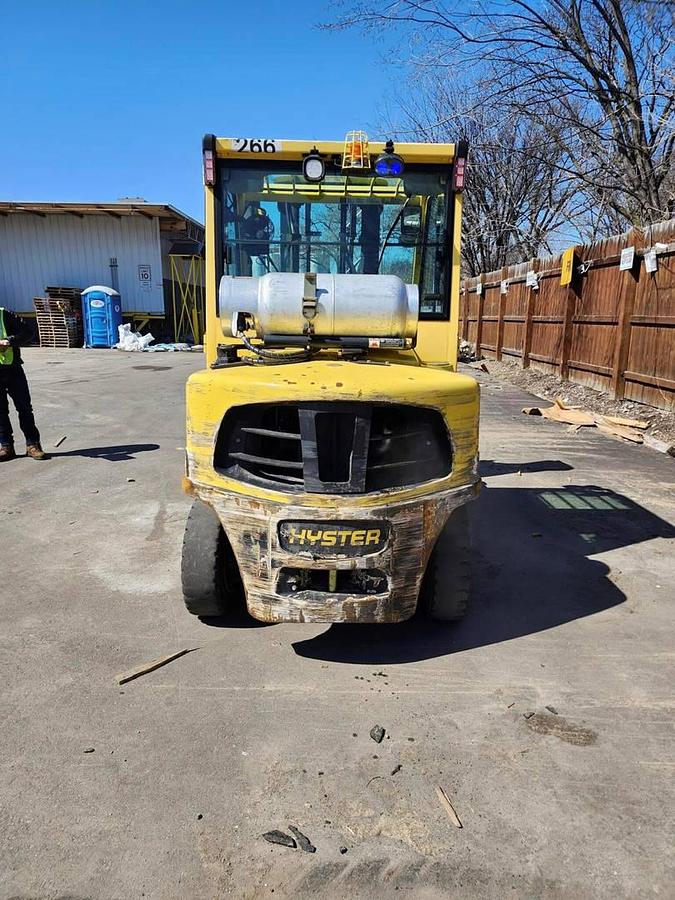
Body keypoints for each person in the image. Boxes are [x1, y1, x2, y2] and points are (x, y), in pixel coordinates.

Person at [0, 307, 46, 461]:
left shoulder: (5, 315)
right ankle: (6, 446)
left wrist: (9, 341)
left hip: (13, 370)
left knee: (24, 408)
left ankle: (32, 445)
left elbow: (28, 333)